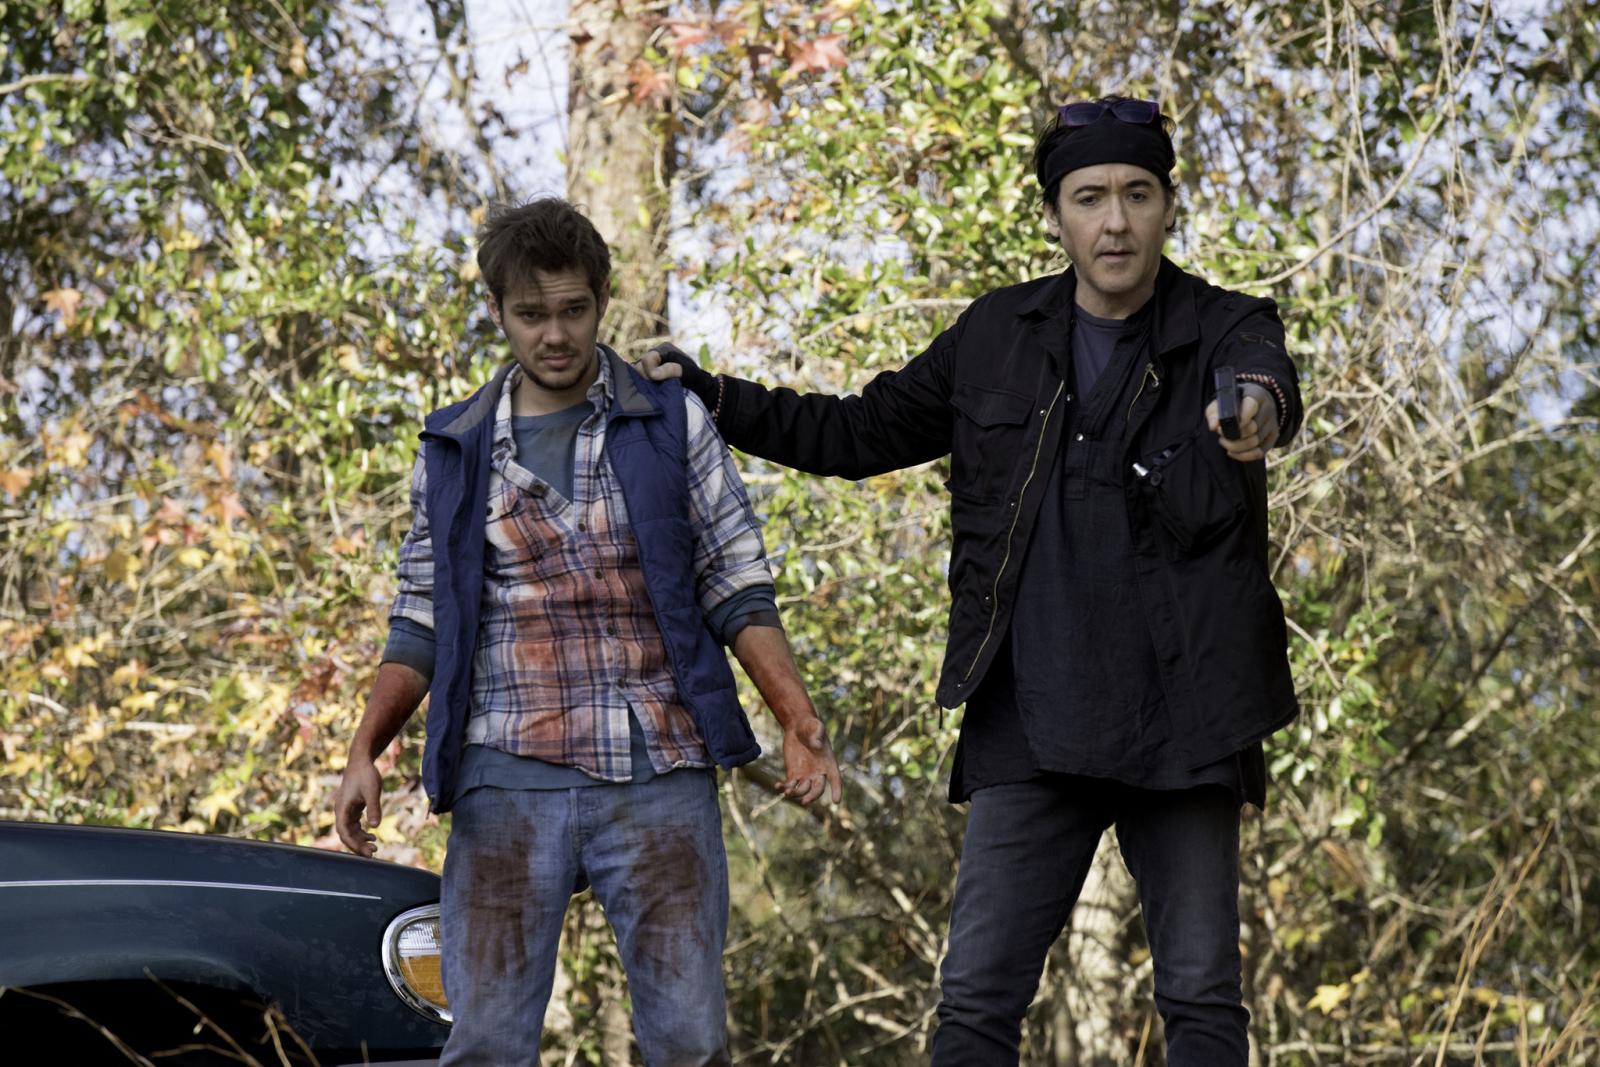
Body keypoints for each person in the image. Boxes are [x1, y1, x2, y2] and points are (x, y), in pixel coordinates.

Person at [641, 97, 1302, 1065]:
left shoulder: (1228, 326)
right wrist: (713, 396)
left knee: (1202, 1000)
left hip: (1187, 719)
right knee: (977, 1002)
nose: (1115, 221)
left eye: (1136, 194)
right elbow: (856, 432)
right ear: (1055, 215)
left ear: (1167, 205)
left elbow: (1266, 381)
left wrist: (1256, 411)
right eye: (1089, 198)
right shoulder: (996, 334)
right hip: (1030, 719)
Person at [333, 197, 842, 1067]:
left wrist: (796, 716)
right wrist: (364, 750)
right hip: (505, 777)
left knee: (690, 1041)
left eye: (574, 309)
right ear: (498, 311)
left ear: (602, 300)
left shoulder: (670, 422)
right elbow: (421, 616)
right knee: (486, 1045)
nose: (556, 334)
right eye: (531, 314)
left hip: (658, 770)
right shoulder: (456, 446)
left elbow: (735, 582)